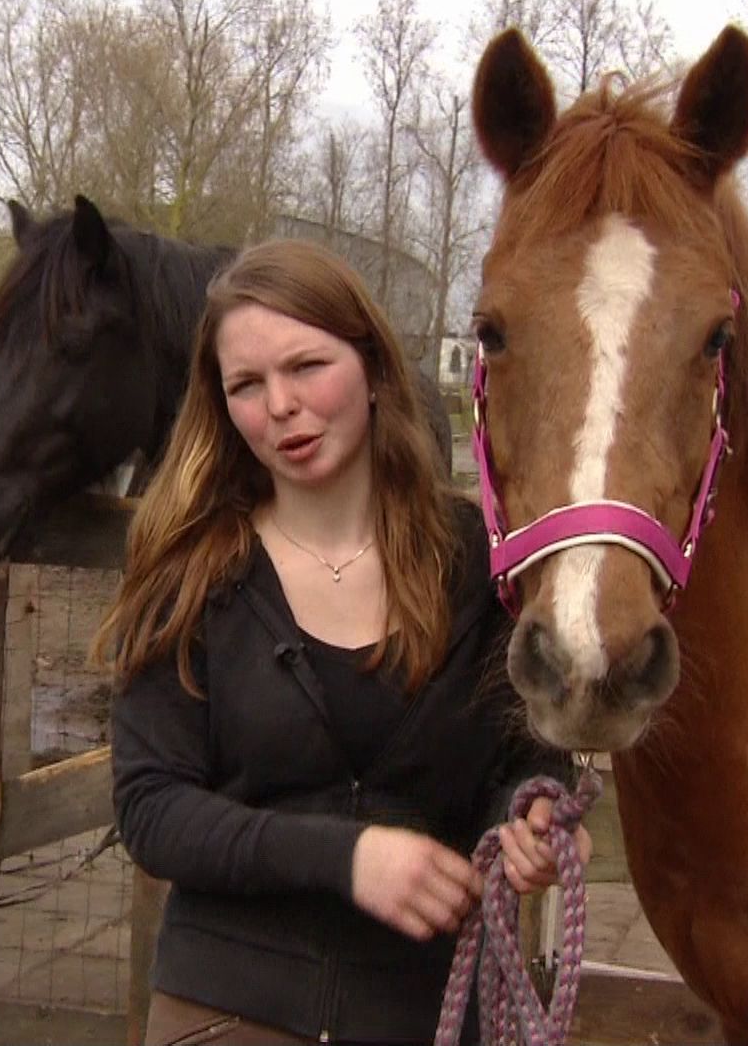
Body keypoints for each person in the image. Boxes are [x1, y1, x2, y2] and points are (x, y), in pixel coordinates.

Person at [95, 239, 592, 1045]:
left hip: (429, 1011)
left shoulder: (476, 562)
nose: (280, 405)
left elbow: (524, 761)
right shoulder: (192, 572)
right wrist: (348, 859)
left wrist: (528, 823)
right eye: (246, 385)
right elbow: (152, 810)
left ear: (373, 368)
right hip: (229, 1012)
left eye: (307, 367)